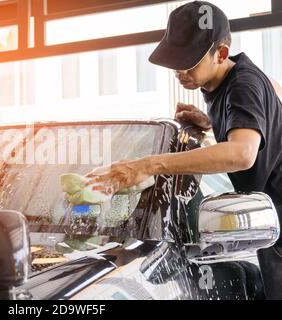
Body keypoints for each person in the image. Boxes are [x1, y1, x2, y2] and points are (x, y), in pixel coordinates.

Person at [85, 1, 282, 299]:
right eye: (174, 59)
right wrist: (217, 124)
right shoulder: (230, 81)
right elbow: (271, 110)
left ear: (222, 54)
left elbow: (243, 154)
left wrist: (149, 165)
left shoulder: (243, 84)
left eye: (188, 61)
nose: (178, 70)